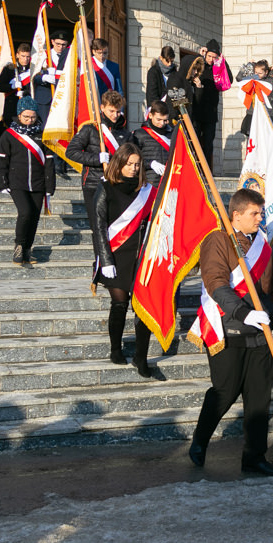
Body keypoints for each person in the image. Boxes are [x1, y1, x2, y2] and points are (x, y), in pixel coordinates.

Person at [188, 189, 273, 476]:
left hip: (260, 332)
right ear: (237, 215)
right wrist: (244, 313)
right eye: (254, 213)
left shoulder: (263, 246)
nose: (260, 218)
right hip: (228, 328)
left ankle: (254, 456)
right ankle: (200, 440)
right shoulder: (217, 240)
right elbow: (217, 284)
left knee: (258, 398)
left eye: (261, 212)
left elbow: (272, 294)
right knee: (225, 391)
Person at [90, 143, 155, 376]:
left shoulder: (147, 191)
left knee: (142, 308)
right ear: (119, 163)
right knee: (119, 304)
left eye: (137, 165)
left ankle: (141, 357)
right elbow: (98, 227)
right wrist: (105, 260)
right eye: (130, 164)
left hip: (139, 256)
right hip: (115, 255)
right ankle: (116, 349)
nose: (134, 168)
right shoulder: (105, 188)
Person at [66, 90, 135, 261]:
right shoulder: (90, 129)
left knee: (114, 225)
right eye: (111, 111)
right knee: (98, 227)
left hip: (116, 184)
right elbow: (71, 152)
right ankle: (101, 262)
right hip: (93, 183)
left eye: (118, 111)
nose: (115, 115)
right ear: (102, 108)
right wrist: (96, 158)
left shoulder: (125, 133)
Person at [0, 96, 55, 265]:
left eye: (33, 117)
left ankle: (28, 248)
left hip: (38, 183)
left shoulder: (42, 135)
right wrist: (2, 182)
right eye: (26, 117)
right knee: (25, 212)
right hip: (17, 182)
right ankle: (19, 246)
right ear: (19, 115)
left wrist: (50, 186)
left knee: (34, 216)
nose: (29, 121)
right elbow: (1, 160)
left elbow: (49, 162)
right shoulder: (9, 135)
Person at [196, 39, 228, 162]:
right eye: (209, 56)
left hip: (211, 113)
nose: (211, 59)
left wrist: (222, 61)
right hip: (198, 112)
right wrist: (200, 56)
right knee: (196, 143)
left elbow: (228, 79)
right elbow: (191, 71)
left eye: (214, 57)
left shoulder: (218, 68)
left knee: (208, 145)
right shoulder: (200, 64)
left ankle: (208, 172)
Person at [33, 30, 69, 125]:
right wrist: (44, 78)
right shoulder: (43, 56)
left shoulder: (69, 57)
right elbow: (33, 76)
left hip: (63, 97)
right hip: (45, 98)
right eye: (58, 44)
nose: (60, 47)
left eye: (63, 45)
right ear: (52, 41)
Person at [133, 100, 172, 188]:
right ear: (150, 115)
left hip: (169, 180)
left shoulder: (172, 134)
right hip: (149, 181)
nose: (162, 124)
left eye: (165, 120)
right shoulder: (139, 134)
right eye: (158, 119)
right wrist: (150, 163)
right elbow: (133, 159)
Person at [0, 43, 32, 128]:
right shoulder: (10, 69)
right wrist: (12, 86)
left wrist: (25, 93)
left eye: (28, 57)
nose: (25, 59)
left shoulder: (32, 69)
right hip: (12, 105)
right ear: (17, 55)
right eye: (23, 56)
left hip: (28, 106)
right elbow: (0, 87)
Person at [166, 54, 205, 122]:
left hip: (190, 121)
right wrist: (176, 122)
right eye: (194, 69)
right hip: (179, 122)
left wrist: (199, 87)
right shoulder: (175, 78)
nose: (196, 72)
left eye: (197, 69)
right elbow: (173, 103)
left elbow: (197, 104)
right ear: (188, 67)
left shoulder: (191, 82)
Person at [146, 46, 176, 110]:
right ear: (161, 58)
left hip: (172, 110)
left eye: (172, 61)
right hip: (157, 110)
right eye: (167, 61)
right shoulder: (153, 72)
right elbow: (152, 95)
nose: (169, 64)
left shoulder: (174, 72)